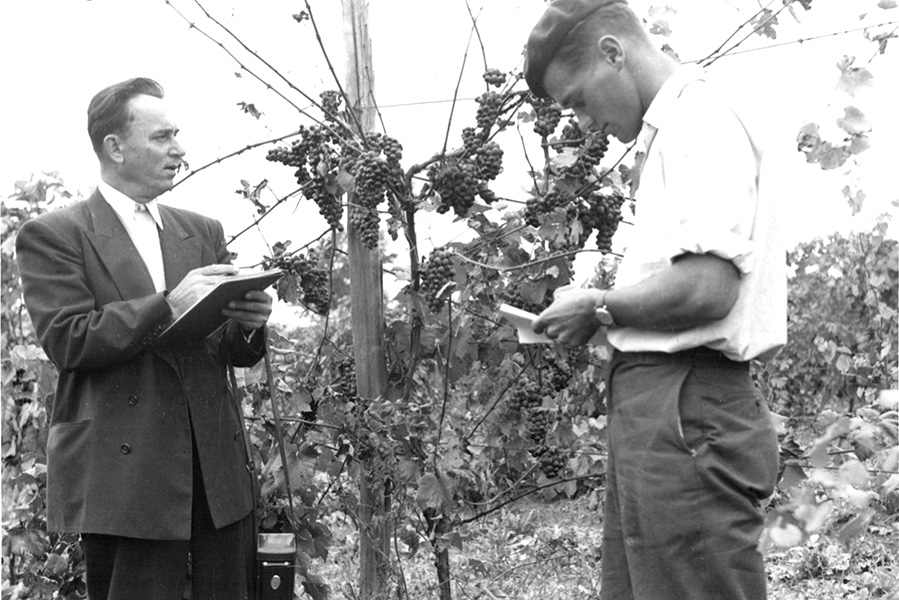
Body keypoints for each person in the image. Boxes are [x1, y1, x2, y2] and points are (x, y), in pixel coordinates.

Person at [525, 1, 787, 599]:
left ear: (612, 52)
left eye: (579, 101)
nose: (584, 123)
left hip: (685, 409)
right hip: (664, 409)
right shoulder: (674, 130)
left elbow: (706, 287)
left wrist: (599, 305)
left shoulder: (701, 119)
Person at [16, 77, 273, 600]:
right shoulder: (55, 234)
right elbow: (69, 339)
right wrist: (168, 302)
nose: (179, 149)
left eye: (177, 135)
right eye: (162, 137)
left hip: (215, 475)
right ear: (114, 147)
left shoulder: (202, 229)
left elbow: (220, 346)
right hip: (126, 477)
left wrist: (247, 324)